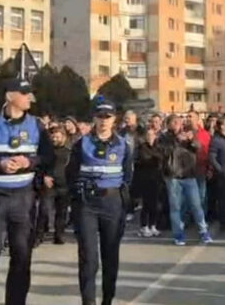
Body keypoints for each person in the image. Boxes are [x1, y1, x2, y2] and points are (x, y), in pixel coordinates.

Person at [0, 78, 53, 305]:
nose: (29, 98)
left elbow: (49, 157)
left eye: (30, 93)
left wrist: (29, 162)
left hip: (23, 198)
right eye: (24, 93)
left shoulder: (37, 125)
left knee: (22, 257)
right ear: (9, 96)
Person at [66, 99, 132, 305]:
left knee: (110, 256)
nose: (103, 121)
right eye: (100, 116)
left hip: (112, 202)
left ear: (114, 119)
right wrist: (78, 195)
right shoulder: (81, 144)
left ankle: (107, 300)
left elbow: (127, 176)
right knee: (88, 258)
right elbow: (71, 174)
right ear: (94, 118)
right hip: (87, 204)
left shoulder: (123, 145)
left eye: (107, 117)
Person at [160, 117, 212, 246]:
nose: (178, 124)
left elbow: (198, 147)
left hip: (189, 175)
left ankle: (203, 231)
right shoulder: (164, 137)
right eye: (174, 122)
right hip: (173, 176)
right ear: (169, 124)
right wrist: (176, 141)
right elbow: (164, 152)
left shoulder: (189, 134)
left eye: (179, 122)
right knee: (176, 207)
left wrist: (191, 140)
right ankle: (178, 234)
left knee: (196, 205)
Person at [36, 125, 71, 245]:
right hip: (49, 185)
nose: (55, 139)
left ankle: (59, 235)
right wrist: (44, 176)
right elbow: (39, 166)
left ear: (64, 137)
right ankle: (39, 235)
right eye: (53, 137)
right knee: (44, 210)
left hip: (64, 185)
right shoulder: (46, 151)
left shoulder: (69, 152)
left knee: (61, 212)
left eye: (57, 137)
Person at [135, 127, 163, 238]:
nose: (150, 137)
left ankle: (153, 225)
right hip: (145, 179)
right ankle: (144, 226)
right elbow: (145, 159)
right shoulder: (142, 147)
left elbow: (161, 158)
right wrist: (155, 158)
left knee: (155, 204)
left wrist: (156, 158)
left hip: (156, 179)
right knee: (146, 204)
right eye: (148, 135)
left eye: (152, 135)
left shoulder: (158, 147)